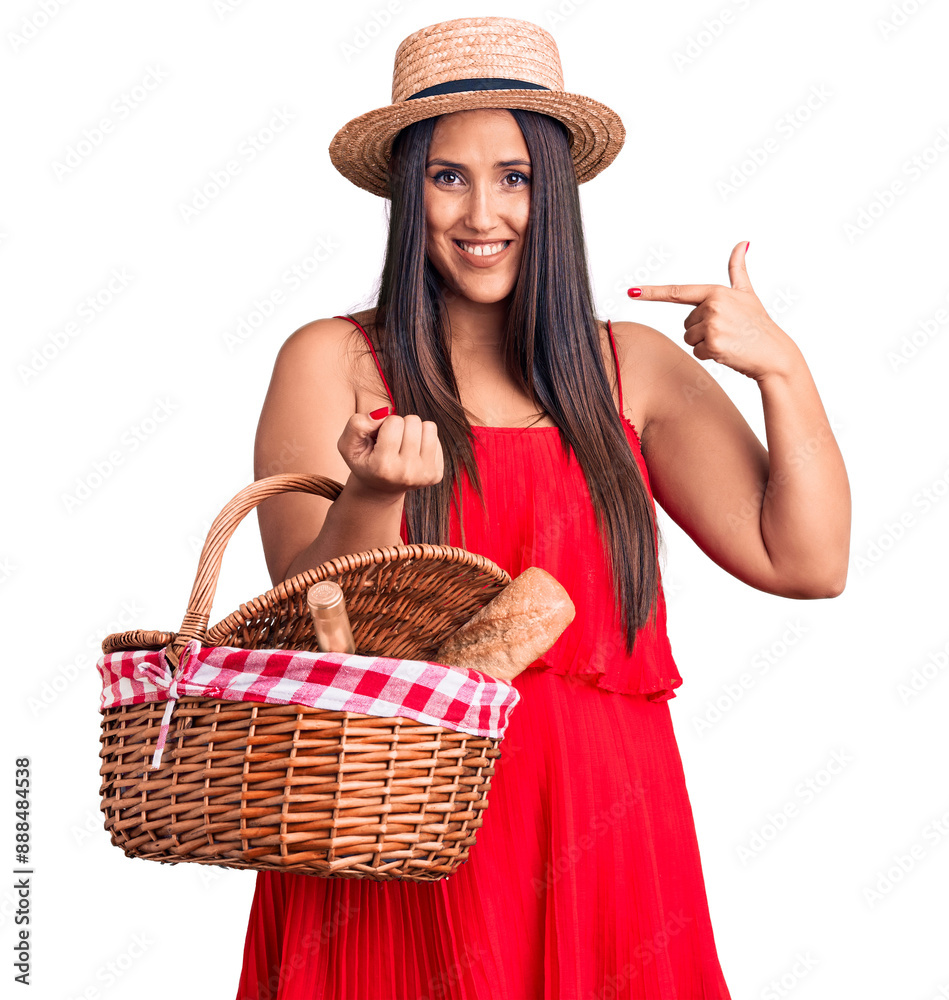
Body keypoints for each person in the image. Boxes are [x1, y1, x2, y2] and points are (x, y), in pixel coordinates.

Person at [235, 16, 851, 1000]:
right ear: (407, 192)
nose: (483, 212)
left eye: (514, 175)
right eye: (447, 176)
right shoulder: (333, 359)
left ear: (553, 191)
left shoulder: (629, 371)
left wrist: (782, 368)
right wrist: (376, 491)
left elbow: (807, 559)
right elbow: (314, 629)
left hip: (605, 834)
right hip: (398, 830)